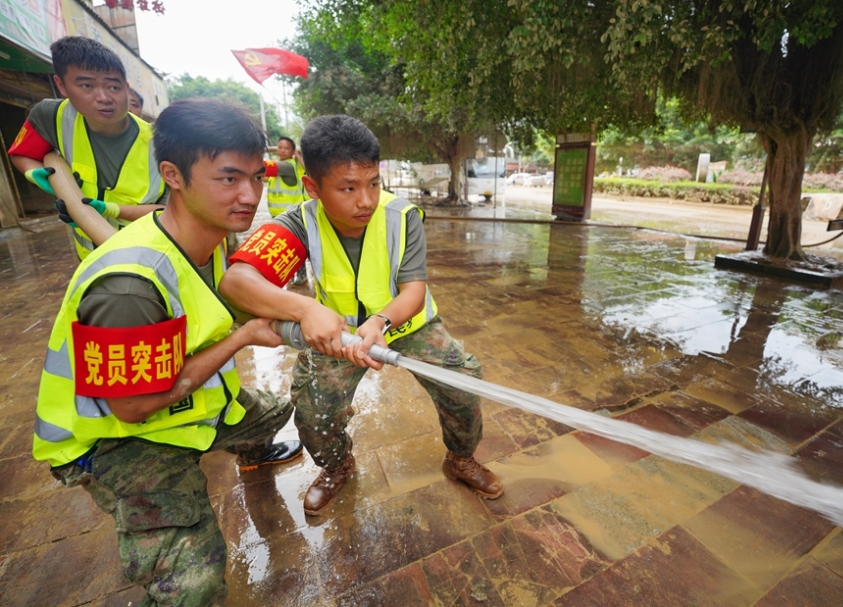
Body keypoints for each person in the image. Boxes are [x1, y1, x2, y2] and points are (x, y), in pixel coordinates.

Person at [32, 98, 303, 606]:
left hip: (175, 404)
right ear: (173, 175)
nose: (248, 195)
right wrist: (242, 337)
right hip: (112, 438)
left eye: (256, 177)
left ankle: (248, 455)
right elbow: (133, 407)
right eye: (228, 178)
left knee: (275, 410)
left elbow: (229, 301)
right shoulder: (128, 288)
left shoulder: (209, 233)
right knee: (193, 583)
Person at [219, 115, 503, 517]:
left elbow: (414, 292)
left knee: (461, 381)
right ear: (313, 187)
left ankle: (460, 457)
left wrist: (380, 322)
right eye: (348, 188)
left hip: (406, 324)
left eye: (373, 183)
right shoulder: (299, 223)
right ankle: (337, 467)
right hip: (337, 336)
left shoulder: (402, 217)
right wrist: (306, 309)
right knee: (315, 409)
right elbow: (236, 282)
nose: (365, 200)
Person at [8, 36, 166, 259]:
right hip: (90, 259)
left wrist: (108, 210)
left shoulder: (160, 142)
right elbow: (22, 154)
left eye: (113, 86)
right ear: (61, 85)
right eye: (87, 85)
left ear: (126, 88)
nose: (103, 97)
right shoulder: (51, 117)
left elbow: (172, 213)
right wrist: (36, 175)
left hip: (150, 257)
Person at [263, 136, 309, 284]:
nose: (282, 150)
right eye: (280, 147)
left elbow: (263, 167)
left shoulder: (287, 166)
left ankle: (300, 277)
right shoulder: (282, 166)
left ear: (292, 151)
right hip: (280, 215)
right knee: (286, 246)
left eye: (286, 148)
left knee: (293, 246)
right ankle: (292, 276)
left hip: (290, 215)